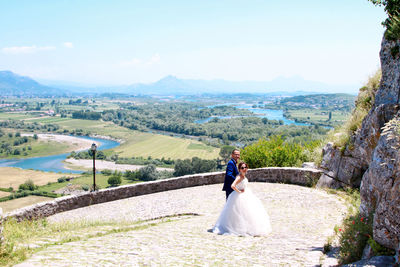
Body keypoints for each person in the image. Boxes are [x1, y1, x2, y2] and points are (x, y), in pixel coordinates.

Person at [212, 162, 272, 236]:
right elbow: (233, 185)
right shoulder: (239, 177)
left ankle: (248, 227)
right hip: (239, 196)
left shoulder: (243, 176)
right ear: (239, 169)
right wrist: (239, 191)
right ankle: (238, 228)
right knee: (239, 213)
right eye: (242, 168)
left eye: (245, 167)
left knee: (249, 212)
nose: (244, 169)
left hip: (246, 194)